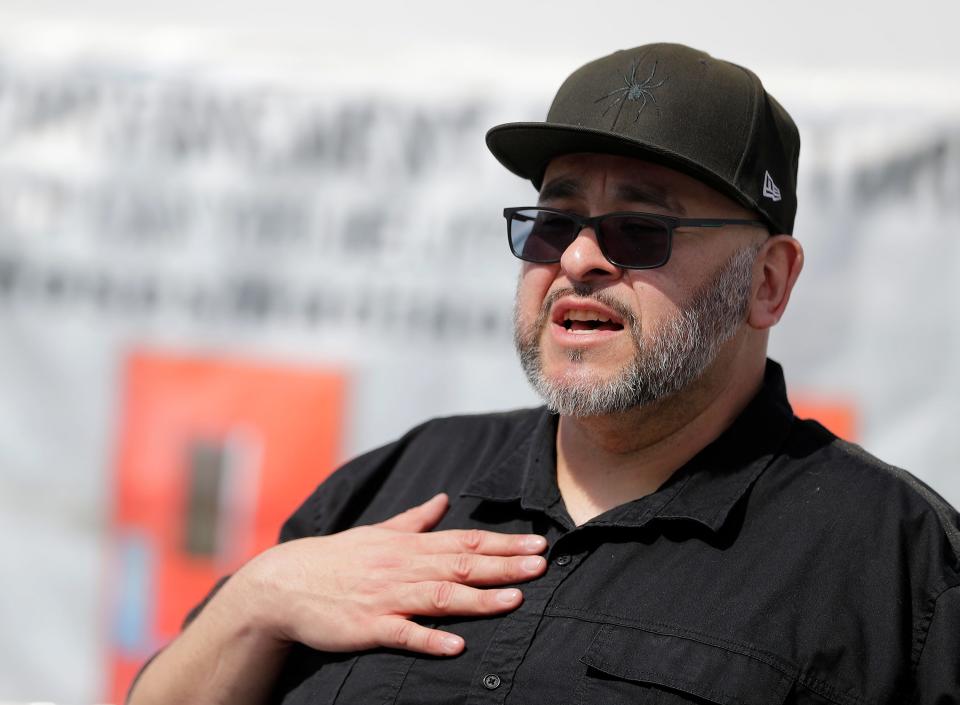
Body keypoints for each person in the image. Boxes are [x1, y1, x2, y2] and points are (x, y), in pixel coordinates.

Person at [128, 43, 960, 705]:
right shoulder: (398, 483)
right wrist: (257, 597)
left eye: (640, 228)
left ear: (769, 281)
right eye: (552, 221)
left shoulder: (896, 560)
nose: (579, 259)